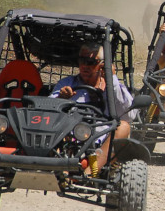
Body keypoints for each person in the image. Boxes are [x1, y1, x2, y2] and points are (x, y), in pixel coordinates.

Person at [50, 42, 135, 173]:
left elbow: (128, 115)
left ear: (102, 65)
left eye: (90, 62)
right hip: (71, 134)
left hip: (101, 136)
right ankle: (62, 170)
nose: (84, 66)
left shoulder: (114, 86)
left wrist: (111, 79)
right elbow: (47, 109)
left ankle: (90, 173)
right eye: (81, 60)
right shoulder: (68, 83)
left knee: (124, 126)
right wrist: (61, 99)